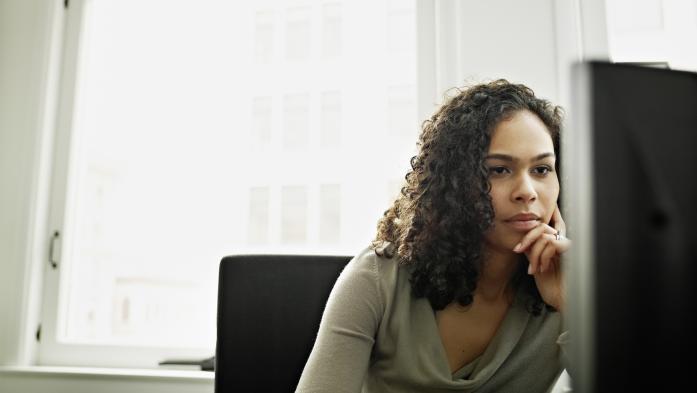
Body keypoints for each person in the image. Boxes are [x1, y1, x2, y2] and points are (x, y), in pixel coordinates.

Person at [296, 80, 571, 392]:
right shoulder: (378, 278)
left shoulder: (568, 286)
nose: (527, 192)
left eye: (542, 170)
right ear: (455, 183)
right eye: (499, 170)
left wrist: (573, 304)